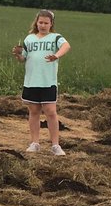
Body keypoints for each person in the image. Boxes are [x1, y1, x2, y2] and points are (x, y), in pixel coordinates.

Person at [12, 9, 71, 156]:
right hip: (31, 81)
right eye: (41, 22)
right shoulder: (29, 39)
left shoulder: (55, 37)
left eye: (46, 23)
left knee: (50, 112)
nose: (43, 25)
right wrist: (18, 54)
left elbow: (66, 46)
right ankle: (35, 143)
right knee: (34, 111)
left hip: (48, 81)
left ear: (51, 24)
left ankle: (55, 145)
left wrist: (56, 55)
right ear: (36, 23)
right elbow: (23, 58)